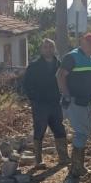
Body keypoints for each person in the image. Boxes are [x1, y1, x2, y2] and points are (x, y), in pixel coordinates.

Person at [57, 32, 91, 178]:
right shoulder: (72, 57)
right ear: (83, 43)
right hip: (75, 101)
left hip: (87, 102)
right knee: (81, 133)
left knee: (86, 132)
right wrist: (66, 95)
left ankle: (77, 165)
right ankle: (76, 168)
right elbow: (60, 76)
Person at [23, 38, 70, 168]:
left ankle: (64, 158)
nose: (48, 49)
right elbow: (26, 85)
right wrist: (34, 99)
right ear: (41, 49)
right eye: (45, 47)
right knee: (39, 130)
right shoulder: (34, 66)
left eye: (50, 47)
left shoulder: (59, 65)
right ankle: (38, 161)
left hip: (55, 103)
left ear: (54, 49)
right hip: (40, 104)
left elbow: (65, 81)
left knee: (59, 129)